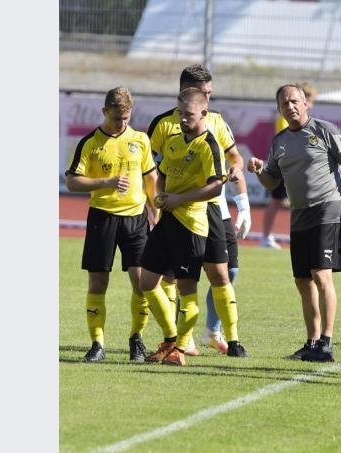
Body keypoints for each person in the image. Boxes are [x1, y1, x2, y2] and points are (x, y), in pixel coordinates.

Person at [248, 84, 341, 362]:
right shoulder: (279, 141)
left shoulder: (324, 130)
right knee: (302, 281)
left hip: (327, 210)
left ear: (306, 103)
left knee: (321, 275)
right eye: (285, 103)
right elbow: (272, 181)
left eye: (295, 101)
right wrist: (260, 170)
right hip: (299, 215)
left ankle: (327, 343)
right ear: (280, 109)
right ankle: (312, 342)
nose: (291, 106)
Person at [147, 64, 249, 358]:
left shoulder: (216, 120)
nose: (208, 97)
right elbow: (152, 167)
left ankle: (232, 339)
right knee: (169, 277)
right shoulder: (165, 125)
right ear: (186, 92)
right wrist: (157, 200)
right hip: (176, 212)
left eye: (210, 93)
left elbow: (235, 158)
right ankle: (180, 340)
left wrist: (238, 184)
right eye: (204, 93)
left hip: (213, 209)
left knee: (224, 271)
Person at [65, 87, 158, 363]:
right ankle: (97, 344)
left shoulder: (140, 140)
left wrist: (156, 209)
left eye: (127, 118)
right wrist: (106, 182)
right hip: (102, 217)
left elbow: (151, 179)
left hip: (136, 218)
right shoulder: (90, 143)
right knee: (98, 282)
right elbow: (72, 181)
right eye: (117, 118)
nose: (122, 124)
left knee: (141, 283)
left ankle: (136, 340)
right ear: (105, 112)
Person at [138, 87, 228, 366]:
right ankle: (170, 339)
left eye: (188, 114)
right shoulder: (174, 141)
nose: (182, 119)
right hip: (168, 222)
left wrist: (181, 199)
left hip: (192, 225)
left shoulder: (209, 145)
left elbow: (216, 186)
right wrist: (161, 194)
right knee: (146, 282)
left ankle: (178, 349)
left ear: (203, 112)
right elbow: (162, 173)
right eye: (180, 114)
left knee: (187, 290)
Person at [262, 82, 318, 249]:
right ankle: (265, 236)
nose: (312, 104)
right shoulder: (285, 119)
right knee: (276, 201)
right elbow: (286, 139)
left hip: (293, 166)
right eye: (312, 100)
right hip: (284, 166)